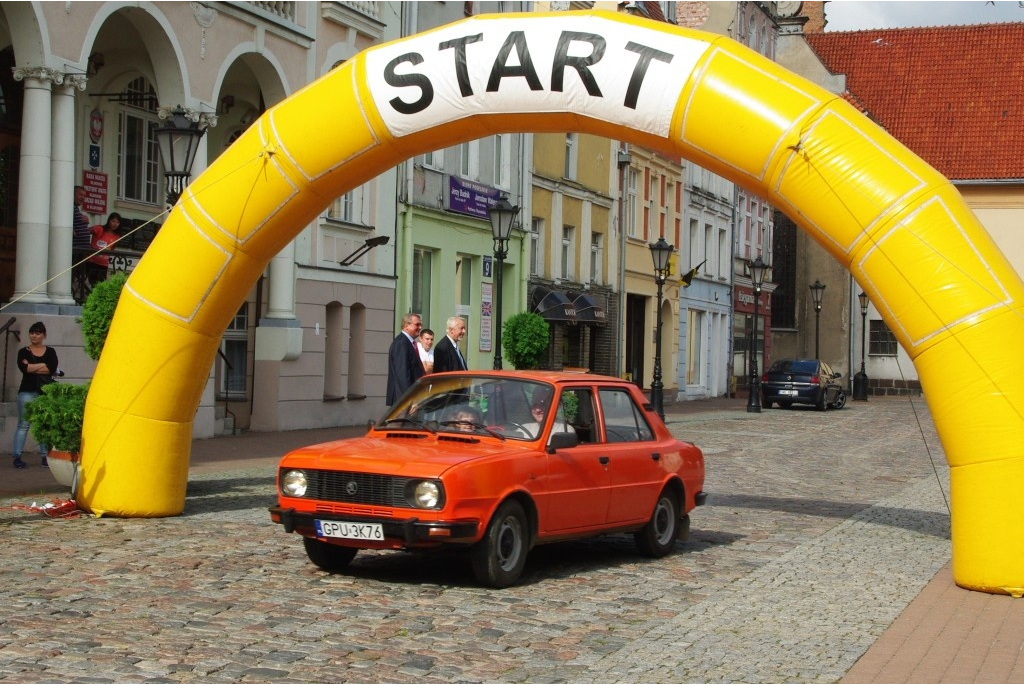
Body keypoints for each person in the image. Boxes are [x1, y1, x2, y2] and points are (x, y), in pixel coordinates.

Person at [13, 322, 59, 469]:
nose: (34, 335)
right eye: (32, 333)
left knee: (45, 424)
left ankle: (45, 456)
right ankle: (17, 456)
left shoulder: (50, 351)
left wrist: (34, 367)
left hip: (45, 391)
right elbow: (24, 369)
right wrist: (42, 365)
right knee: (23, 424)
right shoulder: (23, 351)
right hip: (27, 391)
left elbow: (51, 369)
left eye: (38, 333)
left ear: (44, 335)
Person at [386, 312, 425, 406]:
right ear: (406, 325)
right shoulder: (402, 343)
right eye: (417, 325)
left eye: (421, 325)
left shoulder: (408, 343)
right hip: (403, 400)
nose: (420, 328)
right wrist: (410, 401)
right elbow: (403, 375)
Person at [88, 212, 122, 283]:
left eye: (117, 222)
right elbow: (86, 231)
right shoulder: (99, 229)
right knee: (91, 282)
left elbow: (112, 248)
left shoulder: (117, 236)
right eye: (113, 221)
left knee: (100, 284)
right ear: (109, 221)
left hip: (103, 264)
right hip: (92, 262)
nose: (115, 224)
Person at [72, 186, 92, 258]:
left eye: (84, 196)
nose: (83, 198)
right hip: (75, 251)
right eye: (80, 195)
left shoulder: (75, 208)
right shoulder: (68, 207)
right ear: (72, 194)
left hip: (81, 251)